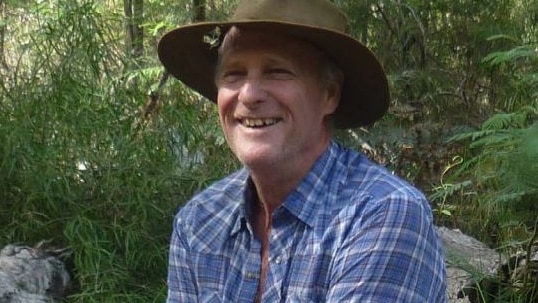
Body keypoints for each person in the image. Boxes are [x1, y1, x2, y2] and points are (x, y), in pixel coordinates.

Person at [158, 0, 447, 302]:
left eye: (277, 72)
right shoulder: (200, 221)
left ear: (329, 94)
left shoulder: (381, 214)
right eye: (234, 74)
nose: (250, 94)